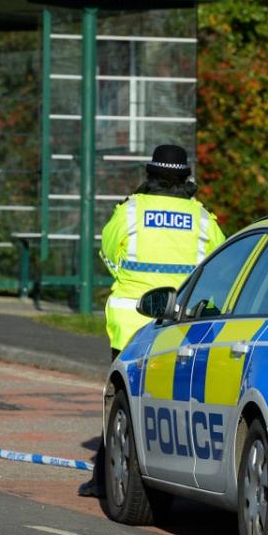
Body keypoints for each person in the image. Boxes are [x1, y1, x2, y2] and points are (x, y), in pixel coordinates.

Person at [78, 144, 226, 497]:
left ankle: (108, 479)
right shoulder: (203, 218)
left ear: (150, 174)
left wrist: (130, 278)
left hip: (131, 320)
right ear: (185, 177)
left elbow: (107, 253)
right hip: (183, 322)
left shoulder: (130, 211)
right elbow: (218, 268)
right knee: (176, 401)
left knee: (122, 402)